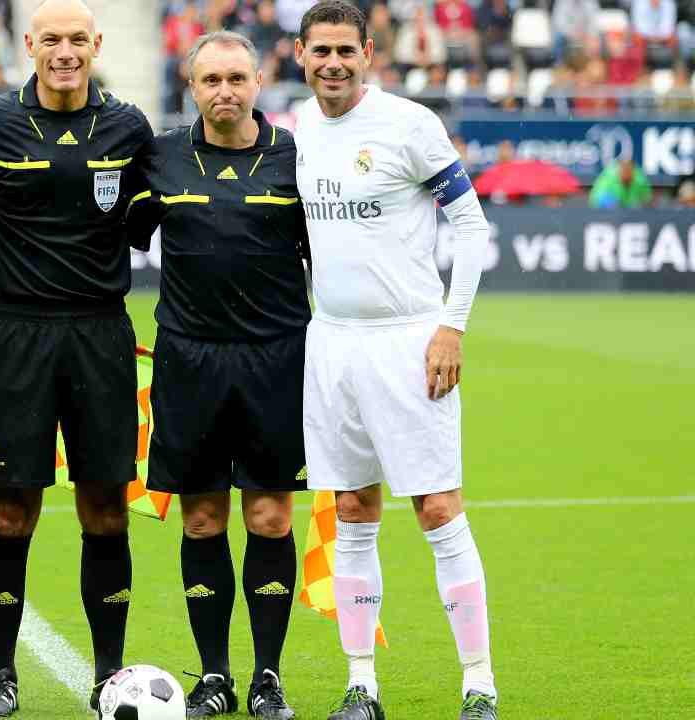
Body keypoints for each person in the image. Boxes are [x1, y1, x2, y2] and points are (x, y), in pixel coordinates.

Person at [290, 3, 498, 719]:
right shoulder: (298, 127)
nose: (334, 63)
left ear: (369, 53)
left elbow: (470, 226)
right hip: (333, 342)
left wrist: (452, 327)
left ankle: (478, 684)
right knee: (350, 508)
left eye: (346, 50)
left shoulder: (410, 124)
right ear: (301, 54)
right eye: (321, 51)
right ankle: (361, 685)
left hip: (409, 339)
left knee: (438, 508)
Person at [0, 0, 154, 715]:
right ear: (28, 45)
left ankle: (109, 673)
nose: (64, 51)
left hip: (100, 336)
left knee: (105, 506)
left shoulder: (129, 128)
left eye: (77, 40)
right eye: (51, 40)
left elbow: (147, 216)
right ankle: (1, 675)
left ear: (96, 45)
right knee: (11, 510)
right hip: (17, 335)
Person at [127, 30, 309, 720]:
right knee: (201, 519)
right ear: (191, 85)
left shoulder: (296, 157)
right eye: (212, 80)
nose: (225, 91)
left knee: (268, 515)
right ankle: (213, 676)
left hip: (276, 359)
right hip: (188, 359)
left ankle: (267, 677)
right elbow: (110, 234)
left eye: (237, 78)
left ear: (259, 81)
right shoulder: (162, 157)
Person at [589, 158, 653, 208]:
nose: (626, 172)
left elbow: (647, 198)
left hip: (631, 211)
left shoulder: (640, 180)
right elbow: (596, 198)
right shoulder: (609, 178)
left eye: (629, 169)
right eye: (624, 169)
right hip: (608, 211)